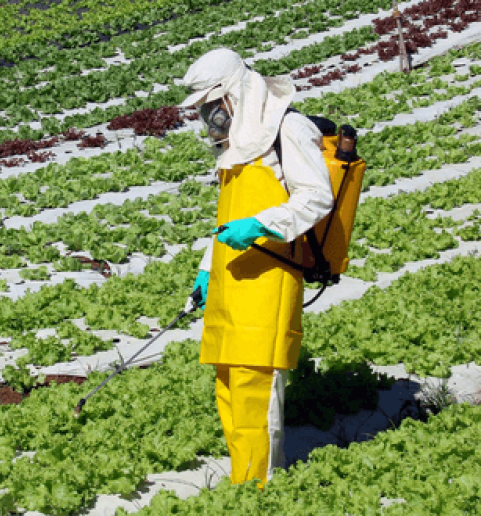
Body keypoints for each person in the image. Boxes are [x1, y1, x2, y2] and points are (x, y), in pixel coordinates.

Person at [180, 47, 334, 489]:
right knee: (228, 384)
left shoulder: (287, 128)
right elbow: (228, 219)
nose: (210, 116)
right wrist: (208, 270)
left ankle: (261, 487)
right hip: (231, 279)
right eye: (204, 108)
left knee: (257, 386)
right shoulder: (239, 144)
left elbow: (316, 197)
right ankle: (242, 481)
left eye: (214, 104)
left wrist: (261, 226)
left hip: (269, 276)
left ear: (236, 92)